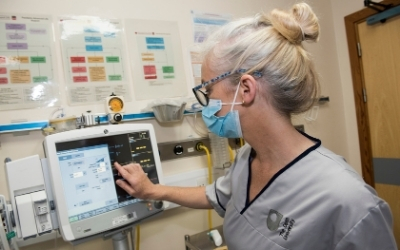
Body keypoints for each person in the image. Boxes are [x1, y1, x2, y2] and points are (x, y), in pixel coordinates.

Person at [115, 3, 397, 249]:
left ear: (246, 89)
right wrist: (153, 191)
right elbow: (215, 195)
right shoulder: (246, 159)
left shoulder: (349, 202)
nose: (206, 104)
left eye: (208, 92)